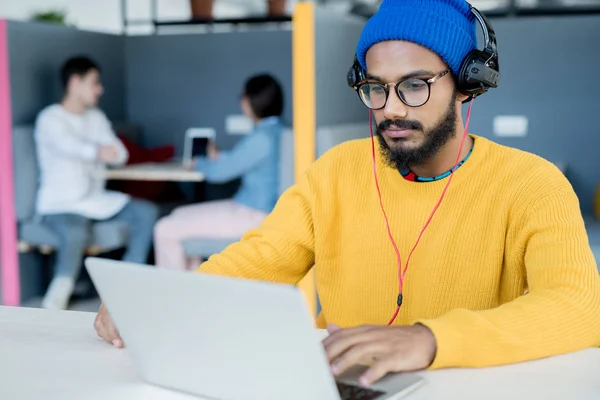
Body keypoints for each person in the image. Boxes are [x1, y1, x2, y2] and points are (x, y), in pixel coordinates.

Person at [95, 0, 600, 387]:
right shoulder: (334, 172)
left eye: (415, 85)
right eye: (376, 88)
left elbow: (580, 306)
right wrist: (161, 303)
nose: (392, 109)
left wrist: (429, 340)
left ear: (467, 85)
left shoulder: (532, 183)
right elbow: (260, 258)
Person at [35, 56, 159, 310]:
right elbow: (70, 147)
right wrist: (98, 151)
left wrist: (108, 152)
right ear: (74, 82)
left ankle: (128, 282)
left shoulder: (96, 117)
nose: (100, 89)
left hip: (95, 200)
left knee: (147, 211)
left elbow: (120, 153)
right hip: (62, 204)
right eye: (95, 83)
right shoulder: (50, 119)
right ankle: (58, 294)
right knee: (75, 232)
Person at [153, 74, 285, 270]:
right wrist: (219, 157)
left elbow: (222, 173)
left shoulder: (262, 137)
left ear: (248, 101)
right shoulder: (277, 131)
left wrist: (199, 163)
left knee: (164, 228)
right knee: (178, 213)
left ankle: (175, 295)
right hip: (254, 210)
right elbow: (241, 160)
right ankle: (191, 286)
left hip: (253, 215)